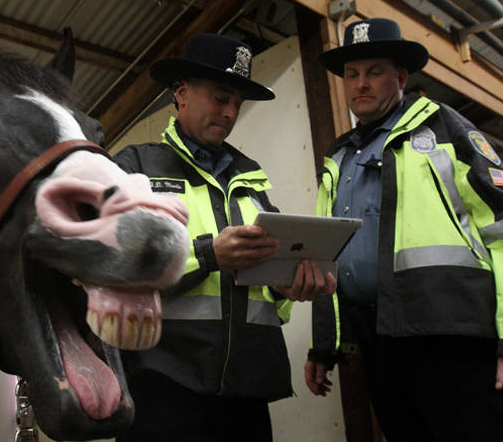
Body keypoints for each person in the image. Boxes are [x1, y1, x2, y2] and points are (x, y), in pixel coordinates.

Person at [304, 17, 503, 441]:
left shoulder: (445, 128)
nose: (361, 84)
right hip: (378, 343)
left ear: (401, 77)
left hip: (453, 337)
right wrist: (324, 343)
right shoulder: (339, 157)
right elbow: (329, 254)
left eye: (374, 72)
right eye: (351, 74)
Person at [113, 33, 337, 442]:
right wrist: (208, 254)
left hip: (247, 390)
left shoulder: (251, 182)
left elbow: (265, 294)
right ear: (181, 93)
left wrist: (287, 288)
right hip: (162, 384)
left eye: (237, 102)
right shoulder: (135, 169)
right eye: (220, 98)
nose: (231, 112)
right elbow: (115, 269)